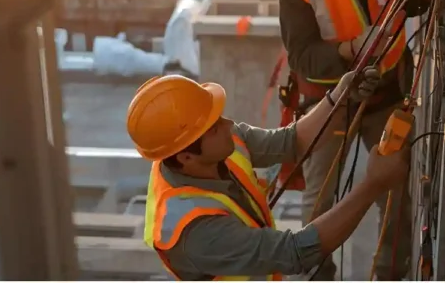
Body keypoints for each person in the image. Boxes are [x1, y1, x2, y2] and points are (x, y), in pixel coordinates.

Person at [273, 0, 445, 280]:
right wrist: (351, 50)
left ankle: (388, 276)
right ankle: (317, 276)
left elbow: (415, 1)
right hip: (330, 102)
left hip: (387, 91)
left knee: (397, 191)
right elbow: (303, 58)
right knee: (319, 203)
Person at [126, 66, 411, 280]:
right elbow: (296, 252)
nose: (228, 124)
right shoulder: (195, 232)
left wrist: (338, 97)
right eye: (213, 127)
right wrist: (373, 184)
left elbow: (289, 142)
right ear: (186, 156)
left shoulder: (204, 146)